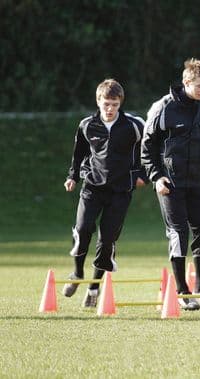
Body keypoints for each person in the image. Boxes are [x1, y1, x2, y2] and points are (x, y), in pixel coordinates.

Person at [141, 58, 200, 313]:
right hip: (170, 183)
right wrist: (156, 176)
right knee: (178, 234)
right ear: (186, 82)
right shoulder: (163, 108)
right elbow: (148, 146)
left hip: (197, 181)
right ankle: (183, 292)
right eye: (198, 85)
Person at [62, 78, 148, 307]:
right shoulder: (87, 125)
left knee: (107, 239)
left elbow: (149, 150)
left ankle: (94, 288)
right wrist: (72, 176)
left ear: (120, 103)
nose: (110, 109)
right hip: (92, 186)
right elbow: (78, 152)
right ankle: (77, 274)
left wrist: (143, 174)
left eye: (114, 104)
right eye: (106, 104)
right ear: (98, 101)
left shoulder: (134, 125)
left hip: (120, 190)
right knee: (82, 229)